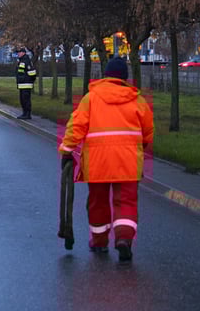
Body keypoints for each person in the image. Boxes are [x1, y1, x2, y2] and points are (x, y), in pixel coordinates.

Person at [58, 57, 154, 264]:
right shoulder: (137, 100)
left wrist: (66, 150)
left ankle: (99, 242)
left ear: (106, 75)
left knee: (98, 201)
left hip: (97, 162)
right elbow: (148, 132)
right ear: (125, 78)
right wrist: (141, 146)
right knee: (126, 201)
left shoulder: (91, 98)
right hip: (128, 162)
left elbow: (77, 126)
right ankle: (124, 239)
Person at [16, 47, 37, 119]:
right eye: (17, 52)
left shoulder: (26, 61)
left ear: (23, 53)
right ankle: (24, 113)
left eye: (19, 52)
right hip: (22, 84)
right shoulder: (21, 61)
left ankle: (27, 114)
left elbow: (32, 72)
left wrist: (30, 80)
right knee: (22, 100)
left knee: (26, 100)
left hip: (26, 84)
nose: (18, 54)